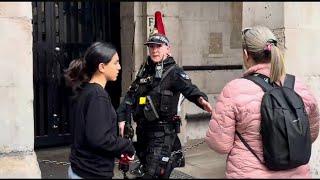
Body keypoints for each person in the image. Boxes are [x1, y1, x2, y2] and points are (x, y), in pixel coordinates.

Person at [205, 25, 320, 178]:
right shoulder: (299, 86)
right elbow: (310, 134)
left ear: (246, 54)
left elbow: (220, 144)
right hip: (297, 173)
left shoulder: (234, 89)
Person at [116, 11, 213, 179]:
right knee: (150, 172)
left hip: (162, 135)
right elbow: (130, 96)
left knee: (153, 175)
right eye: (151, 46)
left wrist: (201, 99)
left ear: (168, 49)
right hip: (143, 135)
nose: (154, 50)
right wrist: (122, 117)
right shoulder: (143, 72)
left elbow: (190, 89)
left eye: (158, 46)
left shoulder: (174, 72)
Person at [64, 41, 135, 178]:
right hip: (91, 173)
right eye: (115, 63)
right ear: (102, 67)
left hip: (80, 169)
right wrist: (127, 145)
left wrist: (116, 150)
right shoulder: (97, 95)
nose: (119, 67)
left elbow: (92, 134)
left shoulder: (87, 90)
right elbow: (99, 139)